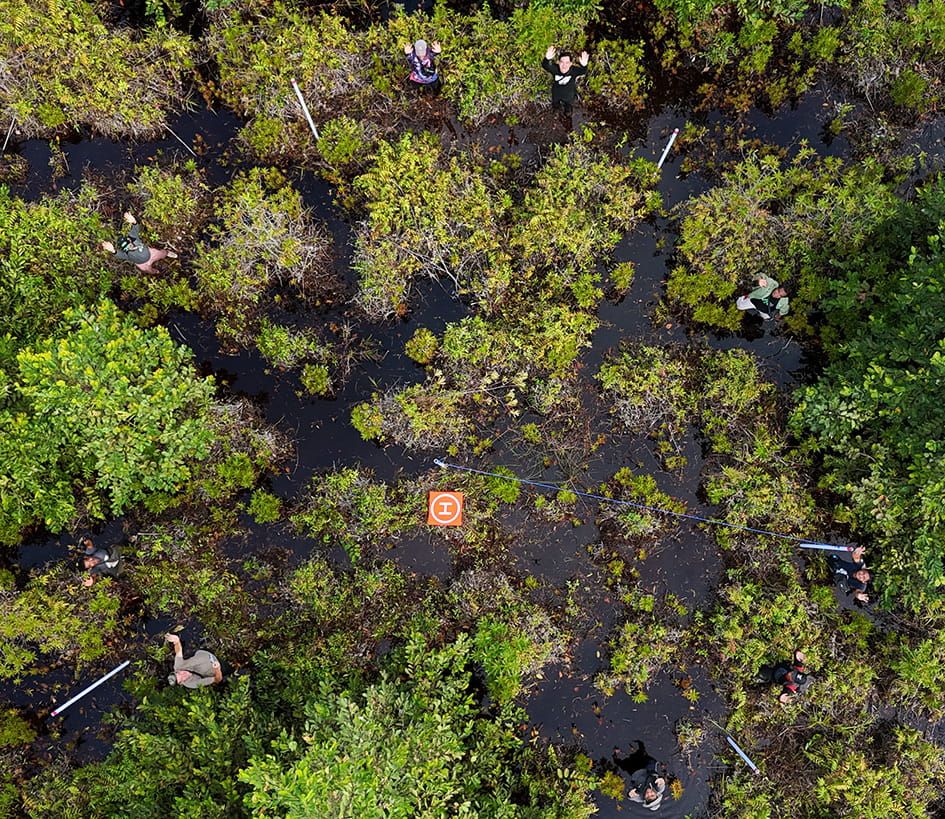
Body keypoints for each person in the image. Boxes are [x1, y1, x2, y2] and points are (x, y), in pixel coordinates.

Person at [101, 211, 178, 273]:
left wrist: (133, 221)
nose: (129, 247)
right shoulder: (127, 254)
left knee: (161, 253)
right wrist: (112, 250)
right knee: (148, 270)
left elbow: (135, 229)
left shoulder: (133, 238)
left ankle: (167, 253)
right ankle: (155, 272)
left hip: (151, 254)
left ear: (129, 240)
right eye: (126, 247)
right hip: (142, 264)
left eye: (128, 244)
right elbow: (120, 255)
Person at [613, 742, 666, 811]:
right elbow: (662, 784)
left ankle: (617, 755)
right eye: (652, 795)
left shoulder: (640, 797)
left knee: (624, 764)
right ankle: (639, 750)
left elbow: (632, 797)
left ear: (645, 799)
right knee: (651, 761)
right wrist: (661, 780)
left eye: (648, 797)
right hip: (648, 769)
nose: (649, 793)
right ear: (657, 795)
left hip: (636, 773)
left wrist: (630, 794)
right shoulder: (659, 789)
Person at [542, 45, 589, 117]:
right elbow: (546, 66)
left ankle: (568, 113)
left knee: (568, 111)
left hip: (569, 96)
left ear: (570, 64)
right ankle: (556, 111)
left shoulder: (574, 70)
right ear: (558, 62)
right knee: (556, 108)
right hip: (556, 94)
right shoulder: (555, 69)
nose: (564, 65)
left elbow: (583, 71)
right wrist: (547, 58)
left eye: (567, 63)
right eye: (562, 62)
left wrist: (584, 65)